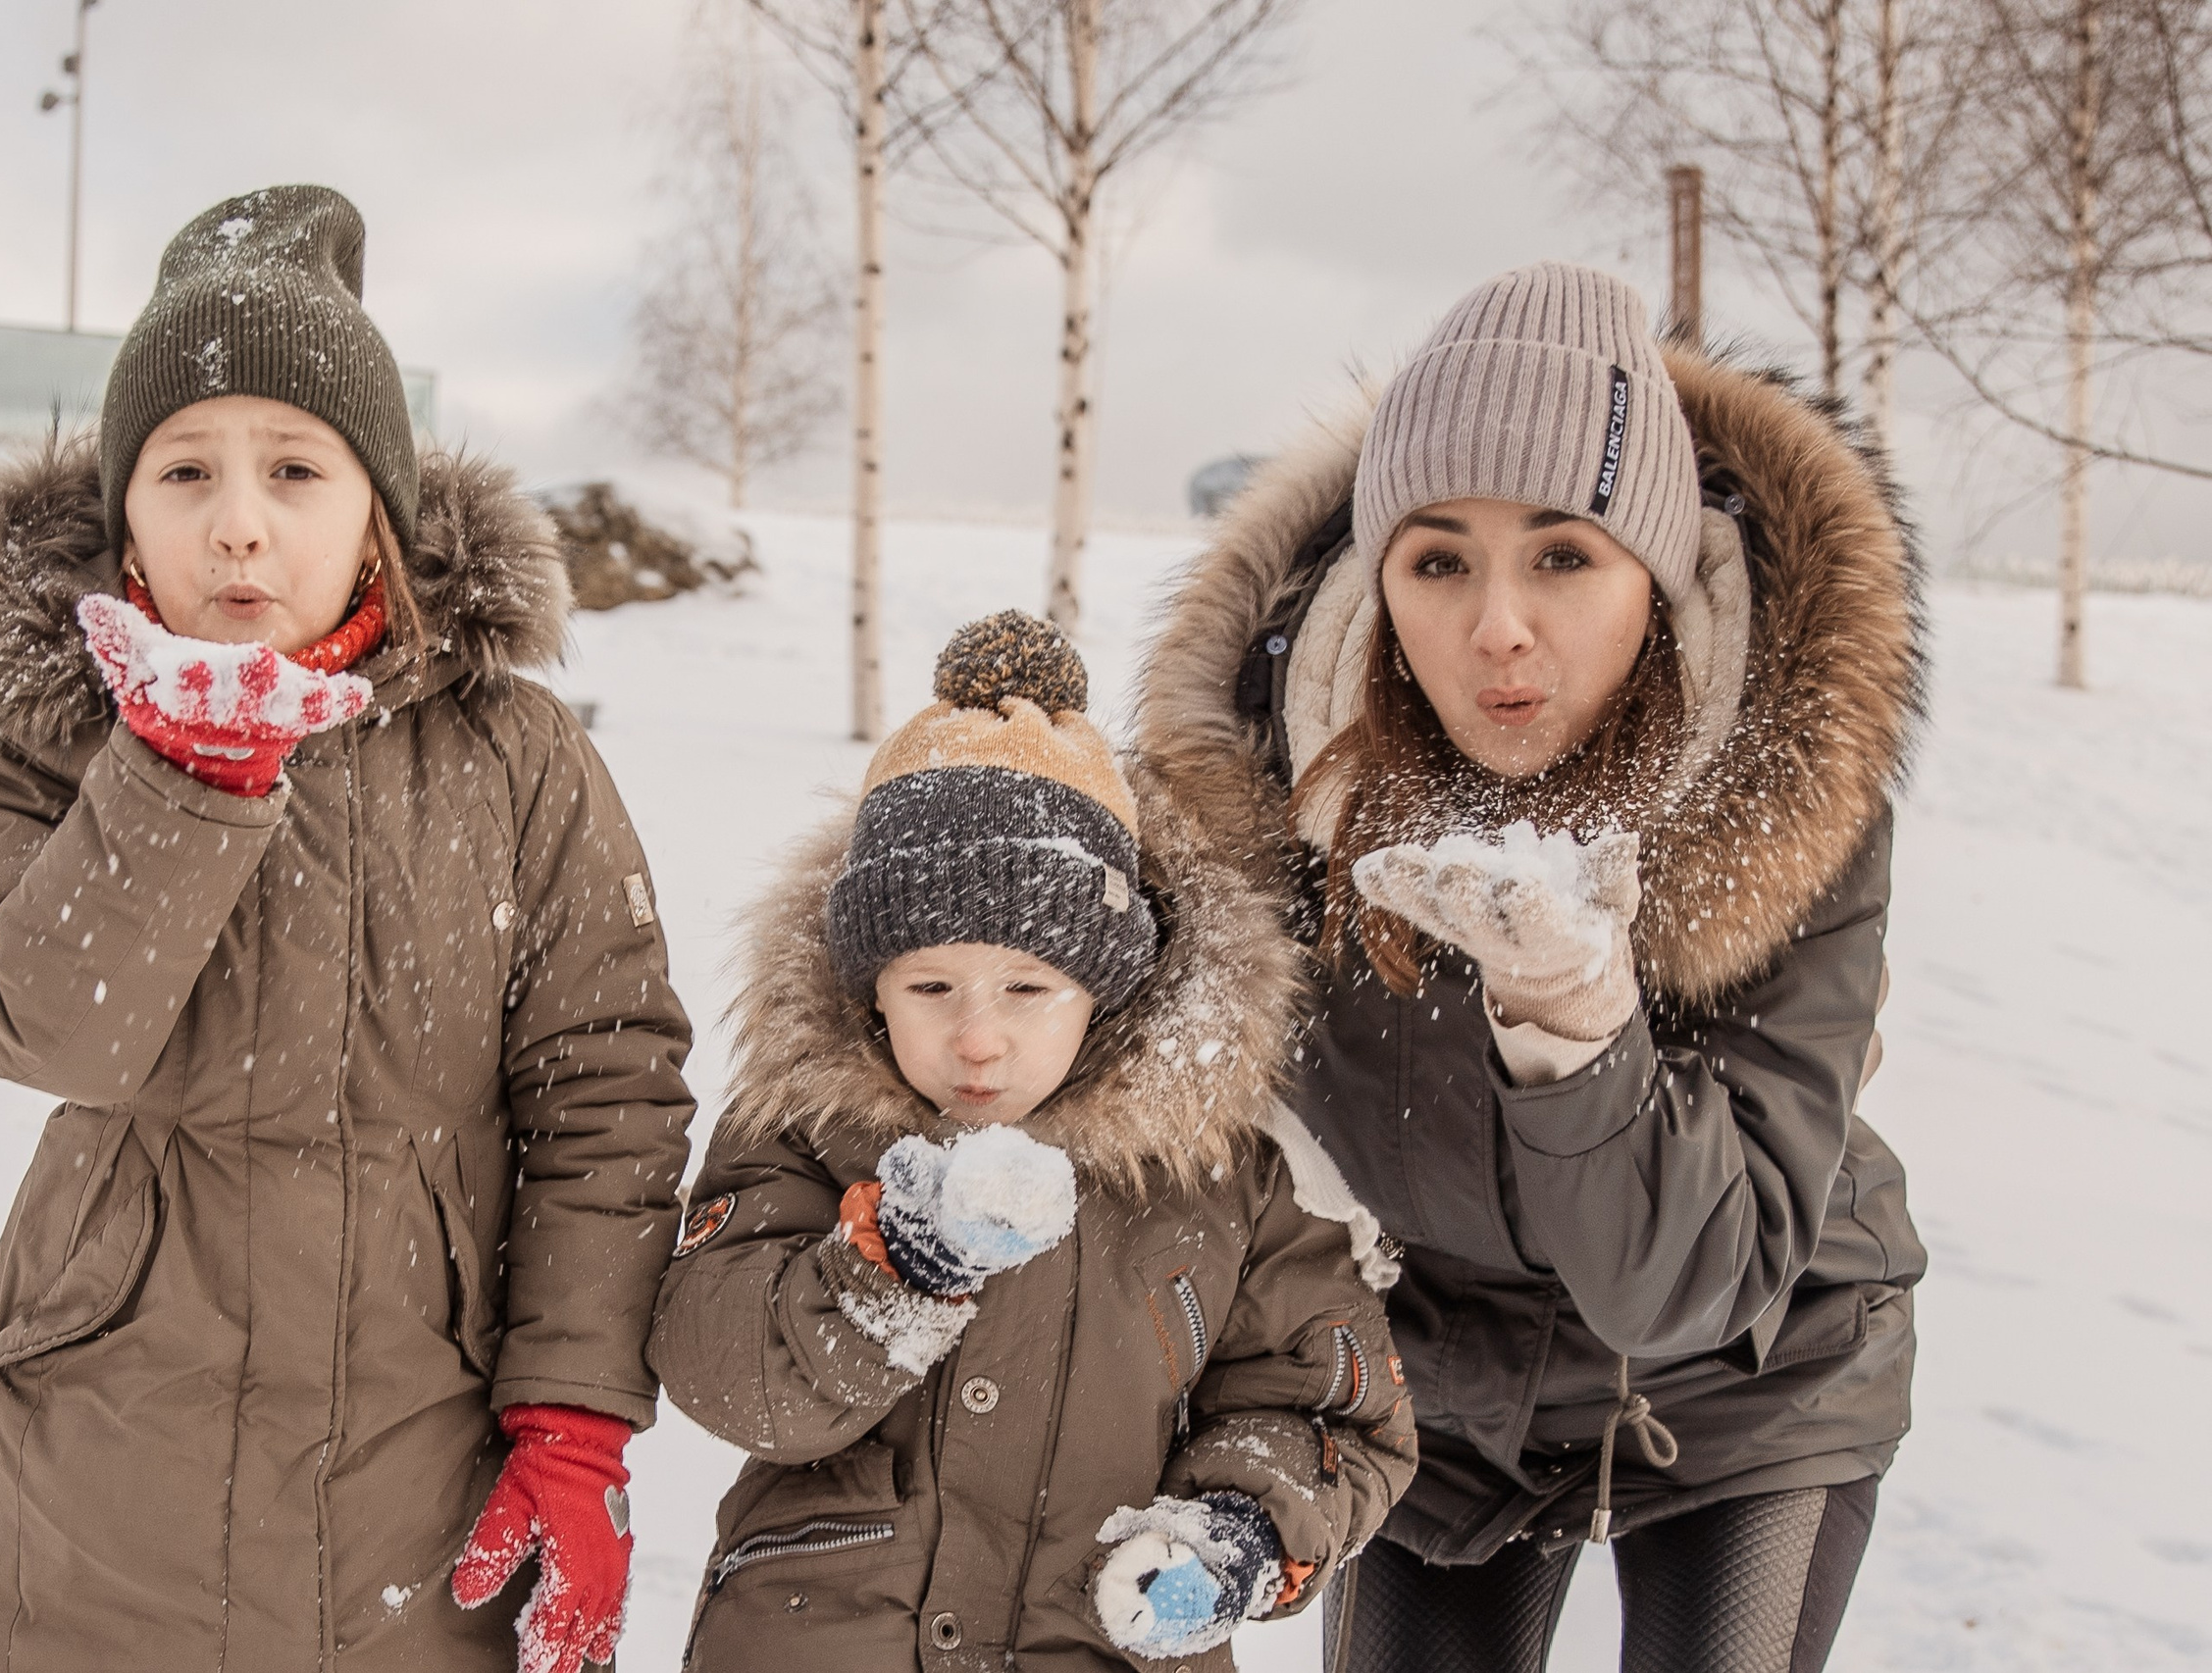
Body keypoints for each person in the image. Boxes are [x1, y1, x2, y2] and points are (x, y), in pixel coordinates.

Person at [0, 185, 694, 1673]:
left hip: (415, 1485)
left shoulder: (513, 754)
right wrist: (179, 775)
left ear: (377, 508)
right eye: (183, 468)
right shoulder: (53, 735)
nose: (237, 524)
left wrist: (574, 1421)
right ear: (124, 513)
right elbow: (37, 1025)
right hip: (90, 1488)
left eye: (297, 469)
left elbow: (609, 1090)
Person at [1134, 262, 1928, 1673]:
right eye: (1439, 561)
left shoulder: (1782, 788)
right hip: (1432, 1389)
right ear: (1379, 586)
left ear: (1658, 573)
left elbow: (1689, 1282)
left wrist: (1573, 1016)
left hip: (1747, 1368)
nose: (1499, 624)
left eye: (1564, 555)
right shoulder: (1262, 790)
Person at [647, 612, 1417, 1672]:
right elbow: (722, 1362)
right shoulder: (811, 1126)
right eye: (928, 985)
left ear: (1106, 986)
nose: (977, 1033)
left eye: (1027, 987)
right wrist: (884, 1277)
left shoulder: (1221, 1163)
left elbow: (1323, 1400)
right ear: (867, 984)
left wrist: (1237, 1526)